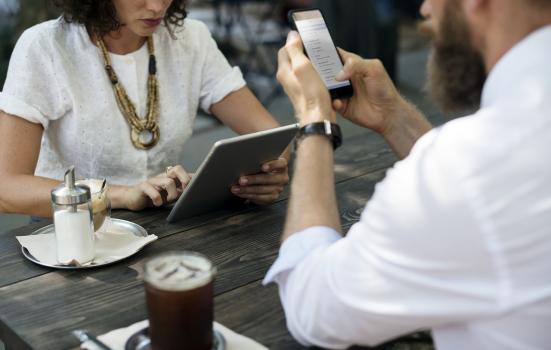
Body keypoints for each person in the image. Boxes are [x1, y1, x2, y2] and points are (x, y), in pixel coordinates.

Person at [264, 0, 551, 349]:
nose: (425, 10)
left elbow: (313, 306)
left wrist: (315, 121)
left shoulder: (473, 165)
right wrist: (394, 117)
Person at [0, 0, 289, 218]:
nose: (157, 6)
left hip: (164, 229)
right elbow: (7, 188)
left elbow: (273, 137)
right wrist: (121, 195)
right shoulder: (46, 47)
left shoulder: (189, 39)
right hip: (72, 239)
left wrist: (268, 173)